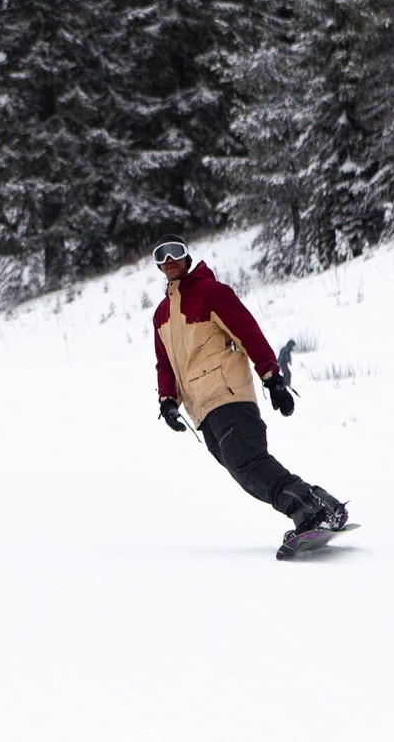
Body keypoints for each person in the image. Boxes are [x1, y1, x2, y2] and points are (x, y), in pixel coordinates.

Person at [149, 234, 348, 545]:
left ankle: (312, 508)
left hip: (228, 395)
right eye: (161, 254)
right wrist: (167, 402)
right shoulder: (161, 315)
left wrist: (272, 377)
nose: (169, 259)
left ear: (187, 255)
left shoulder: (210, 292)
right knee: (244, 471)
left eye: (176, 251)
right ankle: (319, 506)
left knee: (248, 462)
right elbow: (165, 364)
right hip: (202, 409)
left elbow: (247, 331)